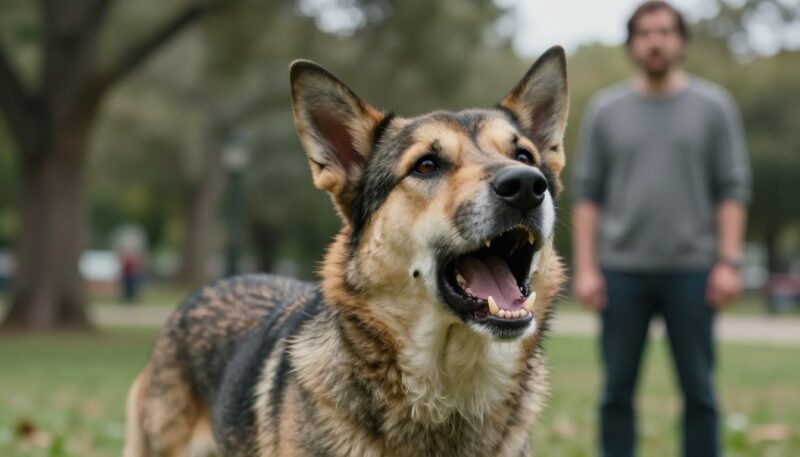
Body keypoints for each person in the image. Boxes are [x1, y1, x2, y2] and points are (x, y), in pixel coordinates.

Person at [571, 2, 751, 457]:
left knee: (700, 393)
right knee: (615, 393)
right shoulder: (605, 111)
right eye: (646, 33)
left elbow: (732, 189)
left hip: (694, 271)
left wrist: (728, 263)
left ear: (681, 42)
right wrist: (587, 269)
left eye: (666, 32)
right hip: (621, 272)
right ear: (632, 44)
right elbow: (587, 195)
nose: (656, 40)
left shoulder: (715, 107)